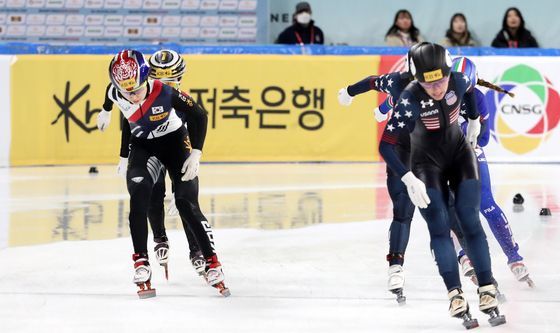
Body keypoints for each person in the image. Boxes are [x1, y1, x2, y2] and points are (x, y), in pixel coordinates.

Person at [378, 43, 505, 328]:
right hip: (426, 164)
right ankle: (454, 293)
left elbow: (470, 90)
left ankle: (487, 287)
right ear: (416, 79)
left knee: (470, 220)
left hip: (460, 157)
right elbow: (385, 146)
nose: (436, 88)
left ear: (450, 73)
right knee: (439, 226)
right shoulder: (409, 99)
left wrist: (473, 120)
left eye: (441, 81)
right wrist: (407, 177)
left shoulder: (459, 80)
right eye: (428, 83)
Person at [97, 49, 229, 298]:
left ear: (146, 79)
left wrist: (197, 152)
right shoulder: (118, 90)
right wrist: (106, 112)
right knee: (140, 193)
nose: (132, 97)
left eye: (135, 90)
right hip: (143, 147)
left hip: (175, 144)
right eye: (126, 92)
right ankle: (141, 261)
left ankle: (211, 261)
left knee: (185, 203)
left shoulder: (164, 91)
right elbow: (111, 94)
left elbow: (199, 114)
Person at [338, 44, 425, 304]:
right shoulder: (399, 81)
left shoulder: (446, 82)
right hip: (400, 147)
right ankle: (396, 266)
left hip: (431, 151)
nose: (435, 82)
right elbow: (374, 82)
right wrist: (349, 92)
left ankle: (463, 257)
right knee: (403, 209)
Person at [448, 57, 534, 287]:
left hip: (470, 154)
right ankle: (463, 256)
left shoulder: (477, 98)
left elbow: (483, 139)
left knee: (486, 204)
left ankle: (514, 257)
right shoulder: (437, 94)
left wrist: (466, 129)